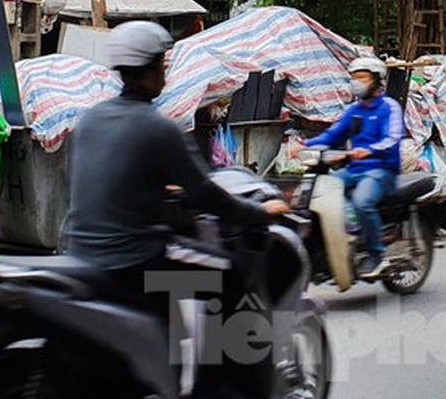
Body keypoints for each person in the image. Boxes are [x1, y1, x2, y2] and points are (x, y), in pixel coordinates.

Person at [66, 21, 288, 397]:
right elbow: (207, 195)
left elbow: (110, 181)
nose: (165, 74)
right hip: (135, 264)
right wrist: (260, 213)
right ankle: (215, 390)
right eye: (163, 66)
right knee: (231, 277)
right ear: (152, 71)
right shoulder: (158, 128)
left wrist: (157, 183)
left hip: (81, 254)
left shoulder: (91, 120)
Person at [290, 56, 403, 279]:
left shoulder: (389, 107)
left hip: (381, 170)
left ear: (376, 80)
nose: (357, 82)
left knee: (362, 202)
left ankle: (376, 255)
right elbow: (334, 135)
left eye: (362, 78)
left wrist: (370, 150)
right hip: (355, 169)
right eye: (354, 78)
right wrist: (305, 145)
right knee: (320, 190)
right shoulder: (354, 110)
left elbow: (393, 138)